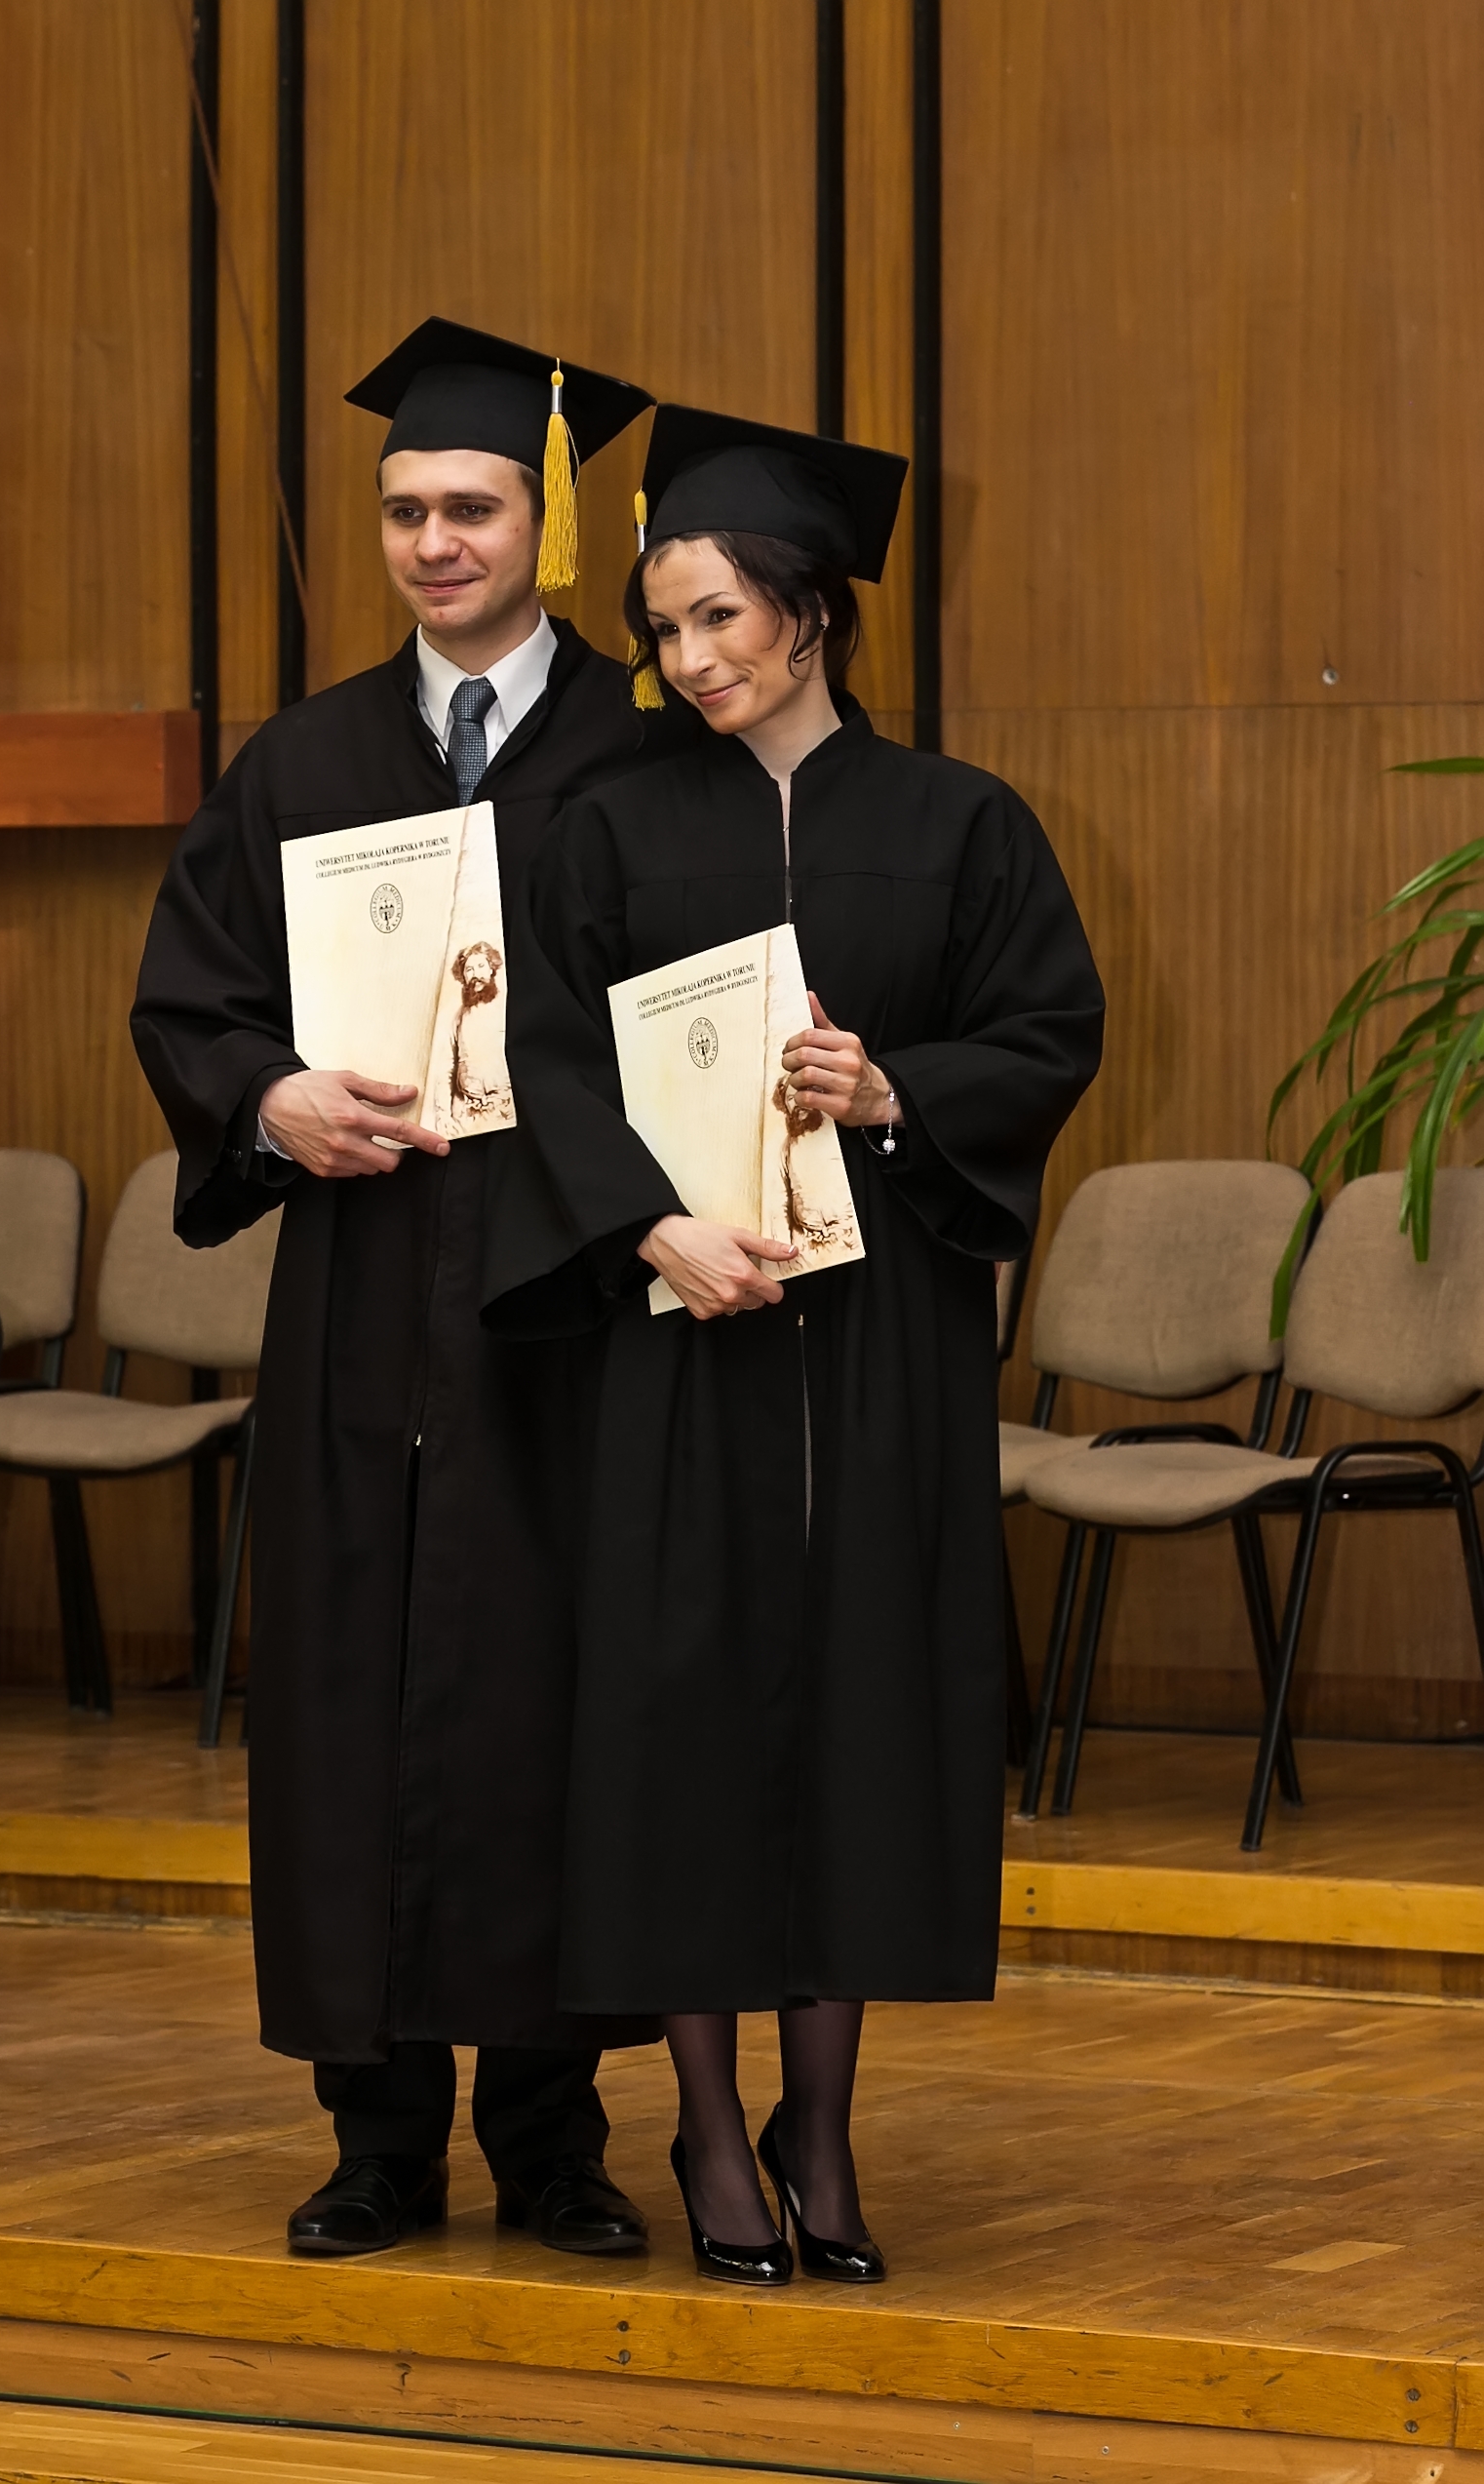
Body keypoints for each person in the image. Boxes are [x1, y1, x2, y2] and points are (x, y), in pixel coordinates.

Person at [486, 406, 1105, 2285]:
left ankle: (818, 2128)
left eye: (721, 620)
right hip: (683, 1337)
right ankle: (705, 2129)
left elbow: (1046, 1031)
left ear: (812, 613)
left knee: (856, 1710)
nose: (689, 661)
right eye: (665, 629)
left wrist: (895, 1087)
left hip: (878, 1338)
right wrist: (649, 1223)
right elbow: (544, 1061)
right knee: (680, 1720)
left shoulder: (959, 824)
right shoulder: (611, 830)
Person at [132, 322, 698, 2263]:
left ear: (550, 526)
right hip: (364, 1297)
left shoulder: (649, 746)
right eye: (402, 511)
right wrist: (268, 1100)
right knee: (350, 1700)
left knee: (553, 1703)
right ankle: (376, 2135)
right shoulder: (303, 756)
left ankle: (553, 2134)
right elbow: (191, 996)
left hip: (565, 1306)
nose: (433, 542)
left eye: (471, 507)